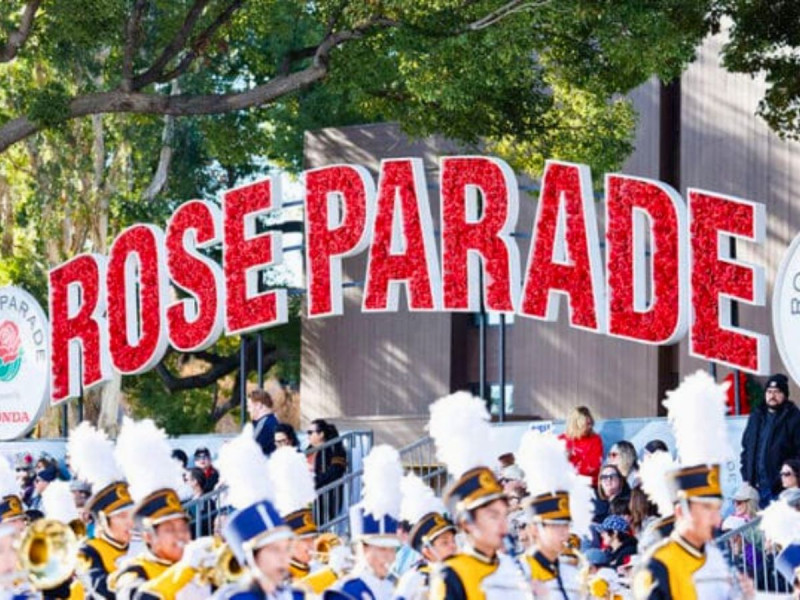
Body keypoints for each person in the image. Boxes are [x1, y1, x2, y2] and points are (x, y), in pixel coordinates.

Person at [633, 371, 754, 599]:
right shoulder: (657, 565)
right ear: (681, 511)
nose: (717, 519)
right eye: (706, 509)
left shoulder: (719, 559)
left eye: (716, 508)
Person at [427, 392, 531, 600]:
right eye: (493, 516)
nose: (503, 525)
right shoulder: (452, 575)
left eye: (503, 515)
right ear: (467, 523)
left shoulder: (516, 570)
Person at [110, 419, 216, 600]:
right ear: (148, 537)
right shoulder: (132, 572)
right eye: (169, 529)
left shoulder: (201, 568)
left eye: (183, 528)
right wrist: (185, 569)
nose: (181, 535)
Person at [212, 426, 306, 600]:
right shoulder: (232, 598)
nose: (282, 558)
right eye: (273, 550)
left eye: (286, 549)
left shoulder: (298, 595)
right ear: (252, 556)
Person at [324, 445, 403, 600]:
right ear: (363, 547)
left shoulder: (391, 588)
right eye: (382, 549)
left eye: (392, 549)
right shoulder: (345, 592)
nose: (389, 557)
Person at [740, 373, 800, 507]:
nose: (772, 396)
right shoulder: (756, 416)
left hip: (781, 489)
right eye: (769, 391)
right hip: (756, 488)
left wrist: (789, 477)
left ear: (785, 394)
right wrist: (746, 476)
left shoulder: (794, 418)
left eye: (777, 392)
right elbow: (746, 448)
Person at [307, 419, 346, 523]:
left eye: (311, 432)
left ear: (321, 434)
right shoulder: (308, 451)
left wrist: (314, 481)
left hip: (325, 498)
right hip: (307, 495)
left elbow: (336, 471)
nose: (308, 436)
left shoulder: (334, 449)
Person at [559, 406, 604, 486]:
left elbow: (595, 466)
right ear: (576, 425)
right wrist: (564, 459)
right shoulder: (562, 440)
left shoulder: (595, 439)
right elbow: (554, 466)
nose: (590, 427)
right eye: (587, 424)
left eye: (591, 424)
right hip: (566, 485)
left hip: (589, 484)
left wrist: (572, 461)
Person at [248, 389, 280, 456]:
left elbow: (255, 450)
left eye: (249, 406)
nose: (248, 410)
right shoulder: (265, 423)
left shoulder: (267, 425)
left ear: (258, 405)